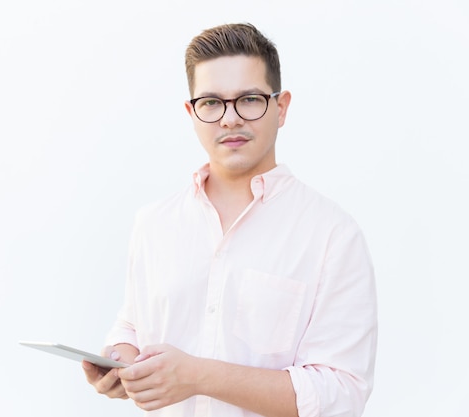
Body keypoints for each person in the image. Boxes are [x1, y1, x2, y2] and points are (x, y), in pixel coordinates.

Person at [82, 22, 377, 417]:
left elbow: (341, 394)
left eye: (250, 99)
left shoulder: (332, 235)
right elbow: (133, 323)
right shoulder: (154, 223)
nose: (229, 119)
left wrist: (198, 375)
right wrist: (121, 358)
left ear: (281, 107)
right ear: (192, 112)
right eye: (211, 103)